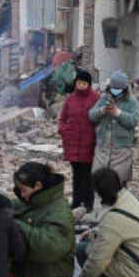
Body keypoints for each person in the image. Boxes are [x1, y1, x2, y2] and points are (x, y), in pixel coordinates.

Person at [12, 162, 89, 277]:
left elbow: (46, 248)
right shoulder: (37, 202)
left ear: (38, 186)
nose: (21, 195)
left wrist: (14, 224)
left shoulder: (59, 212)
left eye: (23, 190)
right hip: (34, 273)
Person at [77, 168, 139, 277]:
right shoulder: (128, 197)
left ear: (98, 193)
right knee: (91, 244)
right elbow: (120, 229)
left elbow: (97, 261)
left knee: (83, 251)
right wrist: (94, 232)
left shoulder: (113, 218)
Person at [58, 69, 99, 211]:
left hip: (89, 143)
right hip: (72, 143)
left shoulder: (95, 99)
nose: (81, 85)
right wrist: (64, 132)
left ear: (89, 84)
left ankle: (88, 203)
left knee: (87, 176)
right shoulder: (70, 99)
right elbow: (63, 118)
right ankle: (76, 201)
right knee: (76, 175)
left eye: (84, 83)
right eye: (79, 83)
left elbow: (98, 120)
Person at [89, 70, 139, 185]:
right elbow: (91, 115)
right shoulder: (104, 98)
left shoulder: (131, 101)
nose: (115, 90)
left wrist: (118, 113)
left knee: (118, 181)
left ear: (124, 87)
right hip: (103, 146)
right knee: (100, 180)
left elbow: (134, 120)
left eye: (118, 87)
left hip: (121, 148)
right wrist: (101, 111)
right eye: (114, 87)